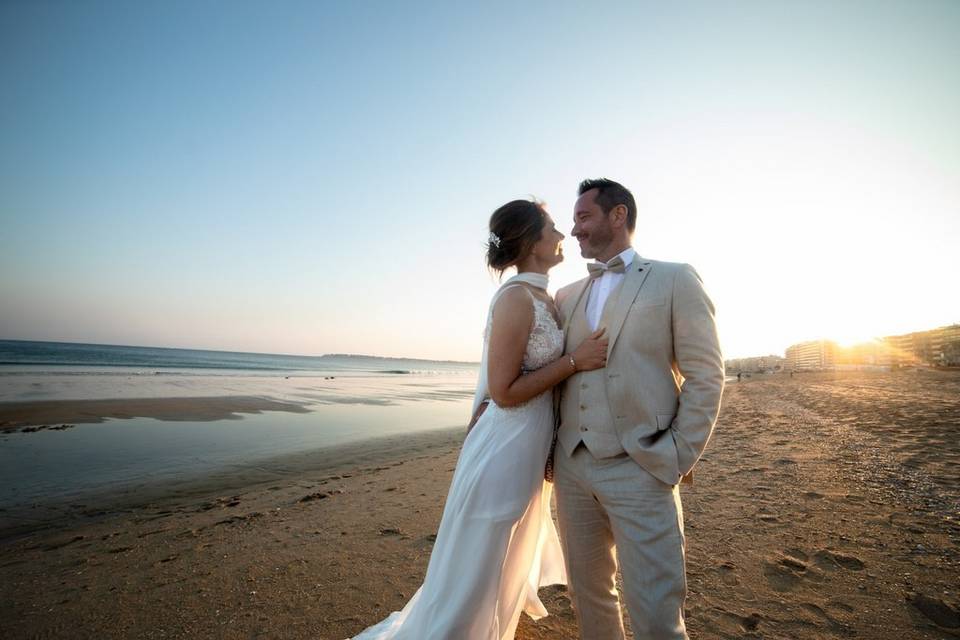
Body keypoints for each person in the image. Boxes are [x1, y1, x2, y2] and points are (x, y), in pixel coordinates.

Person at [349, 198, 608, 640]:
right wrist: (574, 362)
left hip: (529, 443)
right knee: (487, 546)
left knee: (507, 547)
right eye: (550, 228)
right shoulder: (513, 299)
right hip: (505, 446)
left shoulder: (546, 297)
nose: (562, 235)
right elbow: (504, 392)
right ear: (529, 241)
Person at [553, 178, 724, 640]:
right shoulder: (566, 296)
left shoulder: (674, 278)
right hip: (571, 468)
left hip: (642, 466)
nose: (575, 231)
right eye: (573, 221)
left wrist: (675, 455)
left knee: (655, 611)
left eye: (583, 217)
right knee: (589, 599)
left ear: (619, 215)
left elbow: (706, 374)